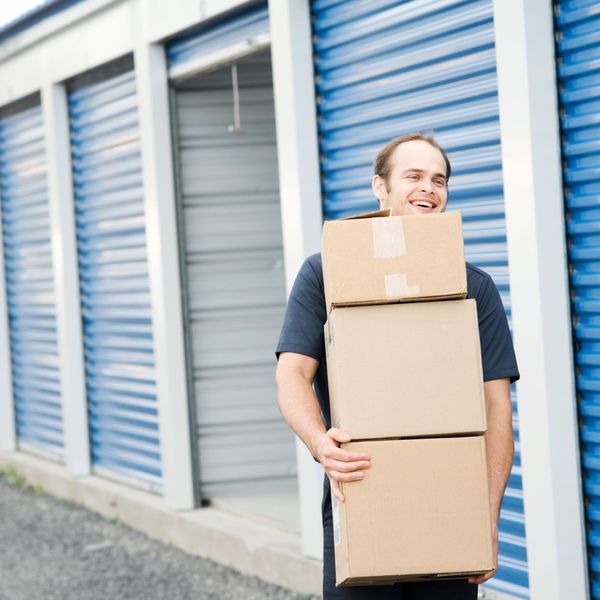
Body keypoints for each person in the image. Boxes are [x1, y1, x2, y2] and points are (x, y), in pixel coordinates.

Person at [275, 133, 520, 599]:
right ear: (379, 187)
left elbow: (497, 410)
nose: (429, 187)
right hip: (361, 489)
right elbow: (292, 374)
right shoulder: (325, 273)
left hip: (451, 505)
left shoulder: (473, 288)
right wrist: (320, 443)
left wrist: (487, 518)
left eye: (439, 179)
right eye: (414, 176)